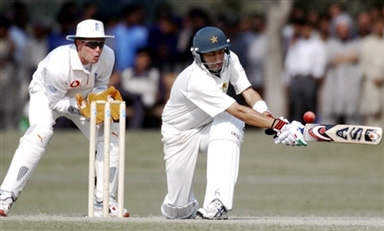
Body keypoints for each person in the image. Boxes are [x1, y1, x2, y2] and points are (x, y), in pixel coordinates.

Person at [160, 26, 307, 220]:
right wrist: (279, 126)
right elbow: (237, 109)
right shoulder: (195, 80)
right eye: (211, 54)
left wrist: (269, 117)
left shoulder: (231, 60)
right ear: (198, 56)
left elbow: (248, 92)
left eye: (221, 51)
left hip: (209, 125)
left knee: (231, 122)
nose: (218, 58)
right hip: (179, 133)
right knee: (179, 210)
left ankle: (217, 202)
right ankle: (182, 202)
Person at [0, 19, 129, 217]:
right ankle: (5, 196)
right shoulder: (58, 64)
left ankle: (103, 202)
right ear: (78, 43)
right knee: (39, 135)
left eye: (101, 44)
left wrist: (100, 102)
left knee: (112, 136)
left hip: (84, 98)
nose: (98, 50)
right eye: (92, 44)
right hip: (47, 95)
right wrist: (83, 109)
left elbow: (101, 85)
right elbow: (55, 102)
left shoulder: (108, 57)